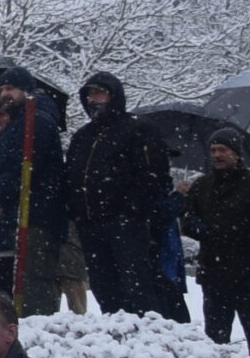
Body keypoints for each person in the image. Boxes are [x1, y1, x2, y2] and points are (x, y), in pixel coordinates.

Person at [64, 72, 171, 316]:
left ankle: (144, 331)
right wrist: (76, 210)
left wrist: (130, 209)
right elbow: (71, 175)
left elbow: (154, 176)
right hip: (90, 224)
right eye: (89, 94)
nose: (93, 99)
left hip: (127, 225)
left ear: (114, 96)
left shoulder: (138, 129)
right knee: (104, 287)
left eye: (99, 93)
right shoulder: (83, 136)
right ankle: (114, 328)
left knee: (137, 287)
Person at [0, 72, 71, 316]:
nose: (4, 94)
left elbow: (22, 167)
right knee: (25, 281)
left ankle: (36, 327)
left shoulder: (36, 121)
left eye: (10, 88)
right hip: (24, 214)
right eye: (1, 89)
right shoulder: (20, 122)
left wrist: (0, 197)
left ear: (26, 90)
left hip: (36, 215)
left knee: (34, 284)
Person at [183, 130, 250, 358]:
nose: (217, 155)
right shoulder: (202, 185)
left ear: (236, 153)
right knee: (215, 338)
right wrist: (201, 227)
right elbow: (189, 221)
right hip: (214, 271)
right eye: (213, 150)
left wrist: (236, 235)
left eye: (222, 150)